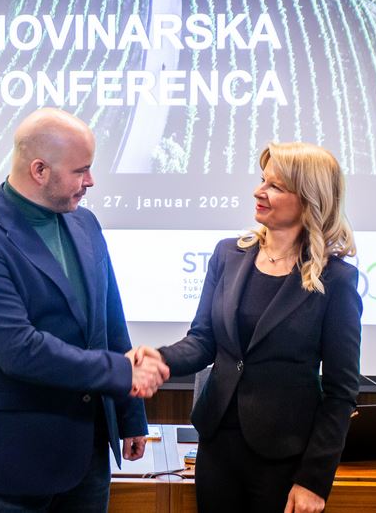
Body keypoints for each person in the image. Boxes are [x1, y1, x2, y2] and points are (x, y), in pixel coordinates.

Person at [0, 107, 170, 512]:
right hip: (16, 465)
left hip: (88, 460)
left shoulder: (86, 225)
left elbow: (109, 324)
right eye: (80, 170)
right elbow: (20, 350)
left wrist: (130, 413)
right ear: (39, 170)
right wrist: (122, 372)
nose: (91, 181)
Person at [149, 142, 361, 513]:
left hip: (284, 459)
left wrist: (314, 480)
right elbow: (202, 341)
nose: (258, 191)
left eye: (275, 186)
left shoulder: (336, 279)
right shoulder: (227, 254)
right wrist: (159, 359)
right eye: (263, 180)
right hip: (217, 447)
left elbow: (341, 392)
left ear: (309, 199)